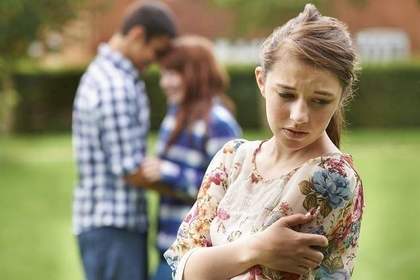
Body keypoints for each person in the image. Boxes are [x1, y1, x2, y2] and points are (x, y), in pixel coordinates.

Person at [164, 4, 364, 280]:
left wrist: (214, 260)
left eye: (320, 101)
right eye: (286, 94)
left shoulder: (331, 177)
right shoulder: (232, 157)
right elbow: (182, 267)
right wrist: (257, 247)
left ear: (341, 97)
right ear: (261, 81)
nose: (299, 116)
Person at [71, 2, 177, 280]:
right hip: (113, 227)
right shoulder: (114, 86)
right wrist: (195, 187)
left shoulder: (113, 76)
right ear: (137, 35)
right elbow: (132, 171)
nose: (154, 61)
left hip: (112, 227)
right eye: (156, 50)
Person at [140, 36, 242, 280]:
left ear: (195, 74)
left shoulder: (218, 123)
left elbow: (231, 190)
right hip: (168, 249)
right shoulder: (174, 117)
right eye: (163, 74)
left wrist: (169, 173)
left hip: (197, 257)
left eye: (172, 74)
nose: (164, 83)